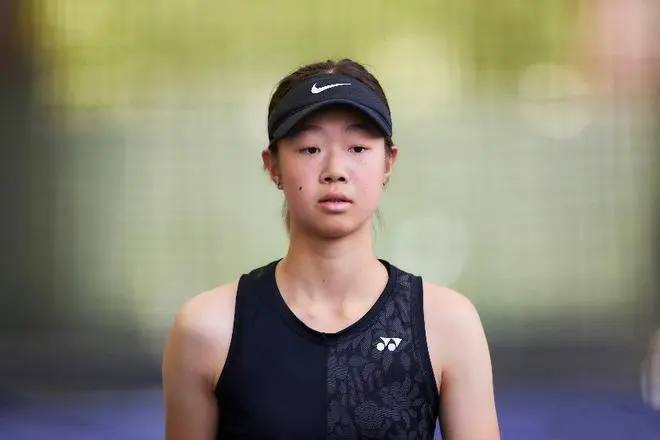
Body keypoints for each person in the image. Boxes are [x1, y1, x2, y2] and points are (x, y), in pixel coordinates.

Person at [162, 58, 500, 440]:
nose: (335, 169)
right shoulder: (208, 328)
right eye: (310, 149)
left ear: (388, 162)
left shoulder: (446, 323)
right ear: (272, 166)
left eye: (357, 147)